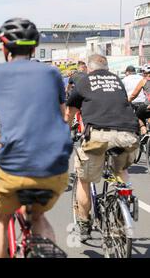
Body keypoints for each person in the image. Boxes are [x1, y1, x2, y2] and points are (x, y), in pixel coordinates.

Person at [0, 18, 72, 258]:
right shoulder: (52, 73)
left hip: (14, 167)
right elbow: (62, 115)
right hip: (56, 166)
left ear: (4, 48)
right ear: (34, 49)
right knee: (39, 215)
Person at [65, 54, 139, 242]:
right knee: (121, 168)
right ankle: (125, 196)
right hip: (128, 134)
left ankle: (83, 223)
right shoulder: (117, 81)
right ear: (106, 68)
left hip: (98, 135)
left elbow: (70, 112)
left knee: (84, 179)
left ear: (89, 69)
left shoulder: (84, 81)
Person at [128, 65, 150, 138]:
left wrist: (127, 101)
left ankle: (144, 130)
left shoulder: (144, 80)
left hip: (147, 105)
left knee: (137, 116)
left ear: (144, 73)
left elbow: (133, 95)